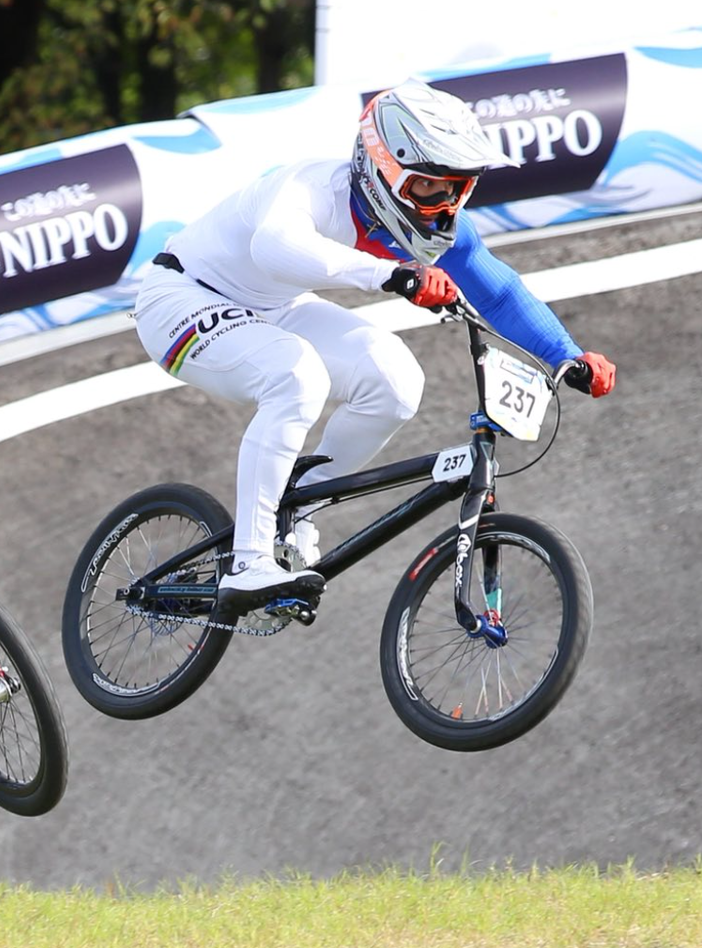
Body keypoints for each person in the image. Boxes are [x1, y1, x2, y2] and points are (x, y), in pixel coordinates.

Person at [134, 78, 615, 613]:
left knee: (396, 382)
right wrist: (393, 276)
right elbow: (273, 248)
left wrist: (565, 355)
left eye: (459, 189)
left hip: (269, 306)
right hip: (179, 299)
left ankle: (297, 507)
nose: (444, 206)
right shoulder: (316, 188)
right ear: (384, 170)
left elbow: (499, 294)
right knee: (297, 377)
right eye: (431, 188)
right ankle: (248, 562)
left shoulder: (438, 225)